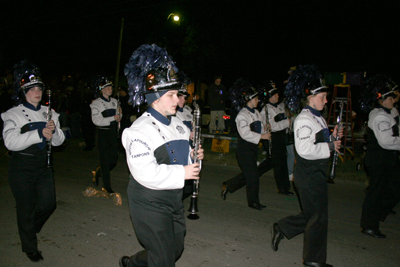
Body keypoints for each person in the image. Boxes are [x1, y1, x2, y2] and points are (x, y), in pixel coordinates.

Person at [119, 44, 204, 267]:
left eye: (178, 94)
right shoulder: (138, 130)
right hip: (148, 201)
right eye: (172, 95)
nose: (178, 100)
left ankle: (133, 263)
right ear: (155, 98)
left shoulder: (180, 126)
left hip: (173, 199)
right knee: (164, 258)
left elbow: (188, 165)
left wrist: (195, 159)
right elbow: (145, 172)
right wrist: (183, 171)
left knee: (175, 249)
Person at [271, 65, 341, 267]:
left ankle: (283, 227)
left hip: (316, 172)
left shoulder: (317, 117)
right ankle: (312, 260)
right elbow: (304, 149)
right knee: (318, 217)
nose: (326, 101)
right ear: (310, 97)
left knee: (315, 214)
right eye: (323, 97)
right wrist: (330, 145)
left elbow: (319, 142)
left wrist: (334, 137)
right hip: (308, 174)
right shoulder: (303, 119)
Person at [1, 61, 65, 262]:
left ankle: (30, 226)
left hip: (43, 166)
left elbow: (59, 141)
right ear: (23, 92)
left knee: (48, 204)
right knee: (26, 208)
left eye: (39, 88)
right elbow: (10, 142)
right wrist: (39, 133)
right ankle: (30, 246)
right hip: (22, 167)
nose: (37, 92)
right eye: (32, 89)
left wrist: (54, 132)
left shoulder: (50, 112)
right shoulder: (13, 114)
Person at [359, 75, 400, 238]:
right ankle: (369, 224)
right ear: (383, 100)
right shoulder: (379, 116)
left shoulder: (390, 112)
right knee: (375, 193)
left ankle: (379, 212)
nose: (394, 100)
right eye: (391, 98)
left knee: (394, 189)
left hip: (388, 159)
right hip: (379, 159)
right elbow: (386, 141)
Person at [221, 79, 271, 210]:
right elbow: (245, 134)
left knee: (248, 175)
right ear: (249, 99)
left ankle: (228, 185)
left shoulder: (257, 113)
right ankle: (253, 202)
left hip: (253, 149)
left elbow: (260, 129)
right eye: (255, 98)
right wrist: (261, 136)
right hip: (244, 150)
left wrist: (265, 129)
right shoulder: (242, 115)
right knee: (253, 177)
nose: (258, 100)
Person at [261, 81, 294, 196]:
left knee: (281, 162)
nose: (277, 96)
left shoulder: (279, 108)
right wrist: (285, 123)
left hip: (281, 137)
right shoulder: (266, 109)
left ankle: (285, 186)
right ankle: (282, 187)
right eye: (275, 95)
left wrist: (286, 123)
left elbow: (286, 122)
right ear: (270, 97)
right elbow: (270, 127)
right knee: (278, 164)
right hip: (273, 138)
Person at [90, 76, 121, 193]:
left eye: (110, 87)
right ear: (102, 90)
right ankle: (107, 187)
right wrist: (113, 118)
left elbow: (118, 116)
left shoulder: (115, 101)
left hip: (112, 133)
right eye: (107, 87)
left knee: (113, 160)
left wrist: (119, 116)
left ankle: (98, 171)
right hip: (103, 133)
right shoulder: (96, 103)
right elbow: (96, 121)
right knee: (104, 160)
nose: (110, 89)